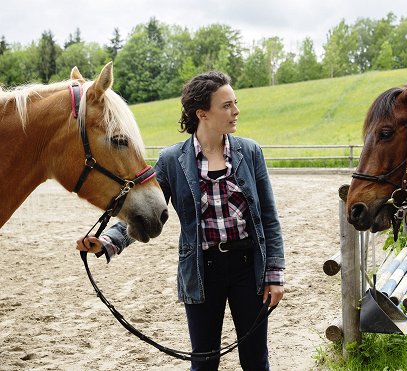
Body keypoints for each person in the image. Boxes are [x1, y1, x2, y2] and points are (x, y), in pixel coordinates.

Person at [77, 71, 285, 371]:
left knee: (255, 360)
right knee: (203, 361)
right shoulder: (172, 160)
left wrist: (274, 274)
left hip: (248, 268)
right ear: (203, 113)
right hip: (201, 270)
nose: (236, 111)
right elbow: (145, 209)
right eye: (226, 105)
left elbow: (269, 217)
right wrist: (108, 241)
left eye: (235, 103)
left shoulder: (250, 152)